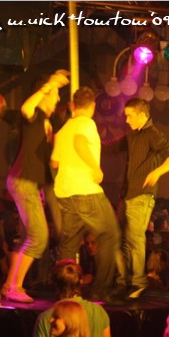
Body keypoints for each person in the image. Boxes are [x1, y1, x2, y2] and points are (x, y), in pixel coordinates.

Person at [3, 69, 69, 303]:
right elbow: (25, 108)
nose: (58, 99)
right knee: (39, 237)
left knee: (28, 238)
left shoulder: (47, 123)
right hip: (24, 182)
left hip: (29, 184)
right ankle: (14, 286)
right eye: (56, 95)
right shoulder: (35, 116)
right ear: (45, 95)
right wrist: (49, 84)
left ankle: (9, 285)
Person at [50, 87, 121, 303]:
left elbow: (54, 162)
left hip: (65, 193)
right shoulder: (86, 123)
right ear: (92, 106)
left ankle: (66, 291)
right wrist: (95, 168)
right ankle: (101, 290)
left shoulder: (63, 129)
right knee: (109, 234)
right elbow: (80, 142)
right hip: (86, 191)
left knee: (69, 244)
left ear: (73, 105)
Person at [116, 98, 169, 298]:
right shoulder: (132, 135)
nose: (126, 120)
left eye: (129, 116)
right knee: (122, 240)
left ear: (142, 115)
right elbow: (110, 147)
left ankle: (137, 283)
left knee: (134, 239)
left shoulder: (153, 134)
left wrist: (157, 172)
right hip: (127, 195)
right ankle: (124, 282)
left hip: (141, 195)